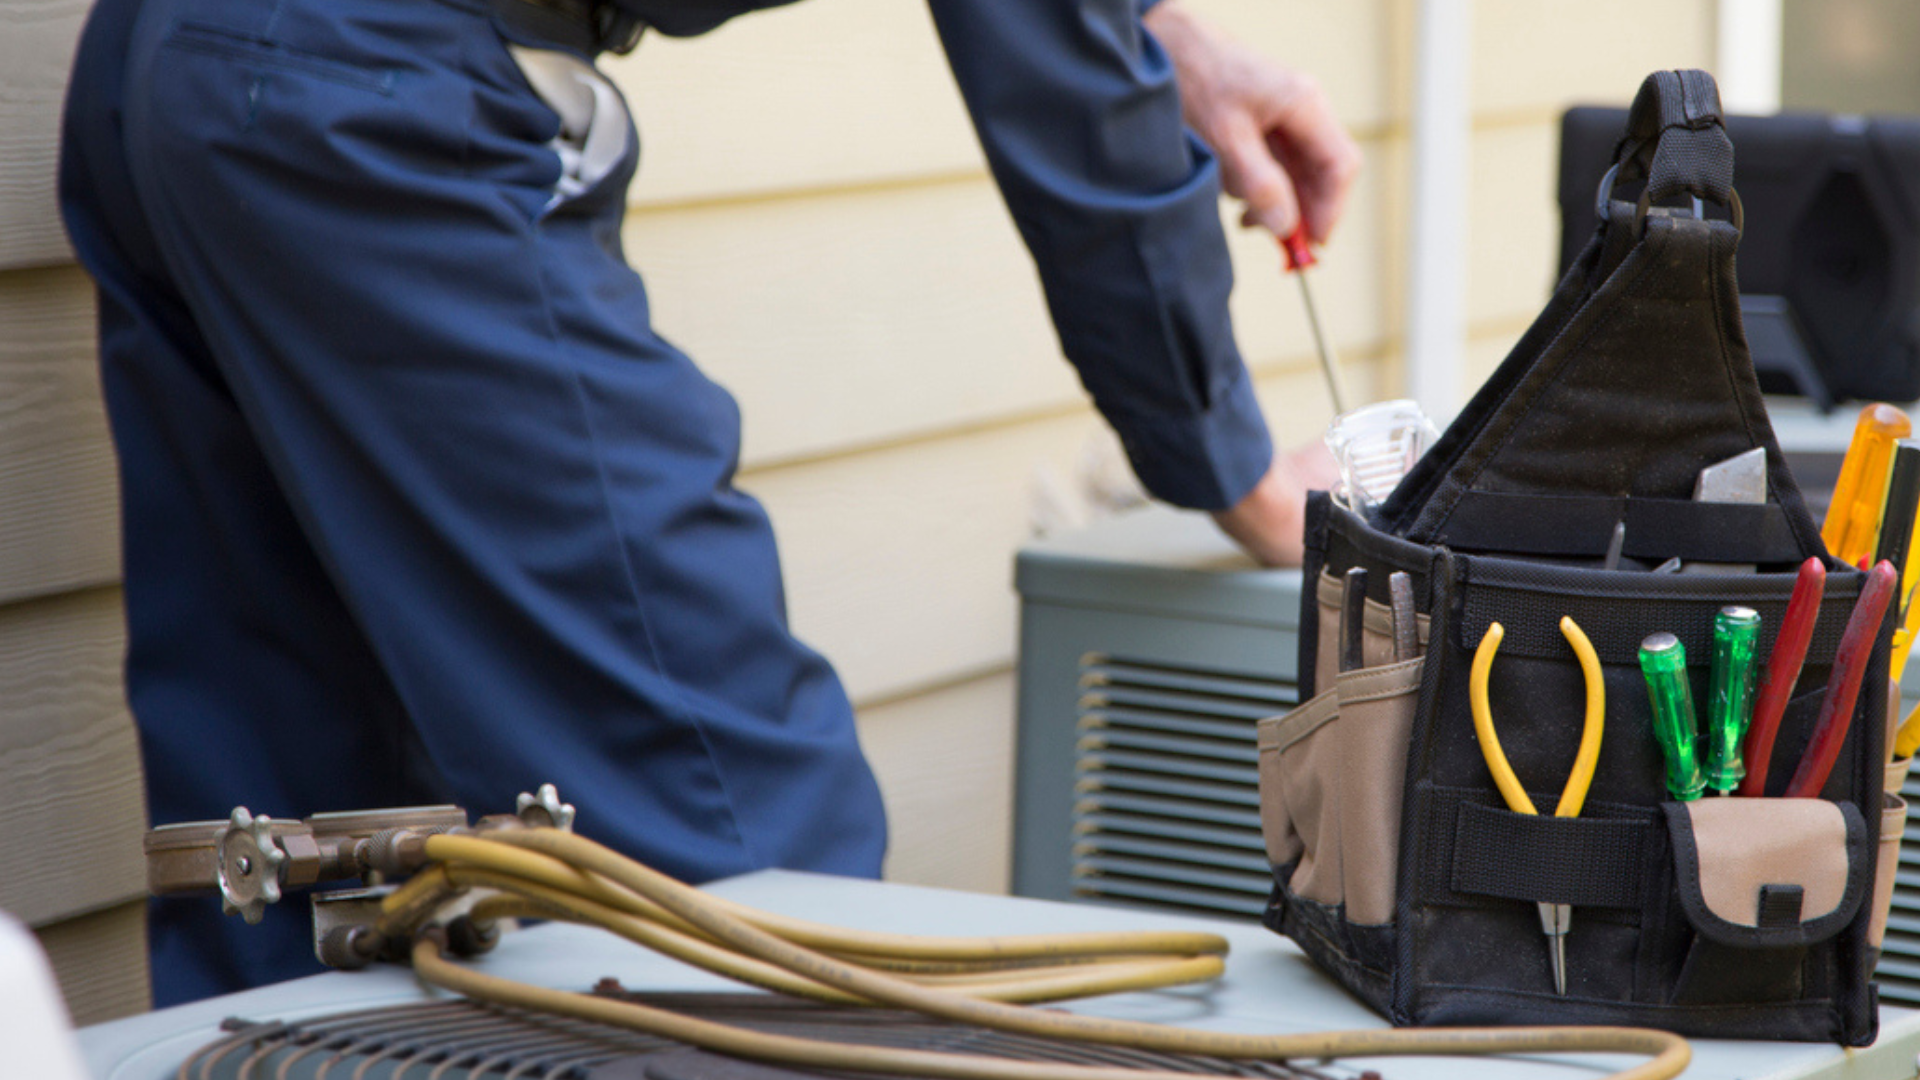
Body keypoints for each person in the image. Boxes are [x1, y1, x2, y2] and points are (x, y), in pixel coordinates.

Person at [58, 0, 1359, 1005]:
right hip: (359, 92)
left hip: (172, 70)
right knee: (745, 865)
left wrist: (1157, 35)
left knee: (301, 860)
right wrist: (1230, 464)